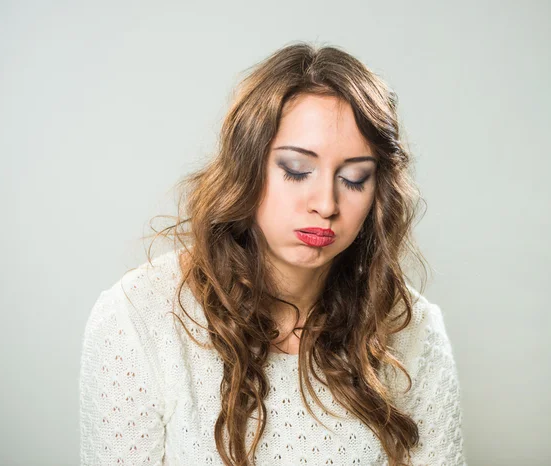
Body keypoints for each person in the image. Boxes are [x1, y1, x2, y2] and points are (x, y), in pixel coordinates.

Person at [79, 42, 467, 466]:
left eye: (355, 178)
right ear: (247, 167)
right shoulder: (139, 317)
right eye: (297, 170)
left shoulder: (413, 329)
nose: (326, 203)